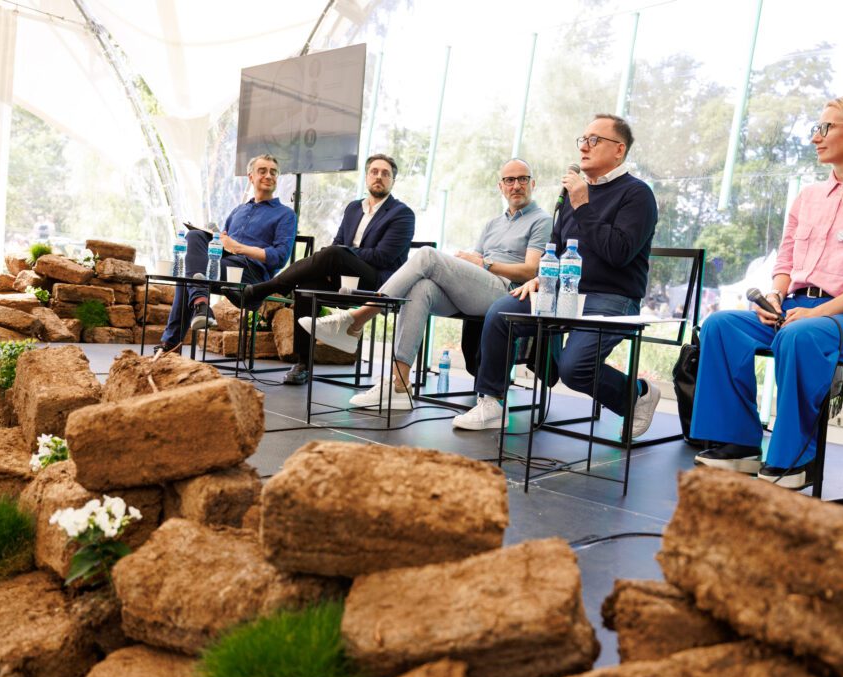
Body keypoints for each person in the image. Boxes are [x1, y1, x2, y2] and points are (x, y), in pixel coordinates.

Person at [691, 95, 843, 489]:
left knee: (799, 334)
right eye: (816, 128)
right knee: (720, 325)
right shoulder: (808, 197)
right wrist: (776, 296)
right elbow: (786, 260)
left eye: (826, 127)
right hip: (794, 311)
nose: (815, 137)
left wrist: (817, 312)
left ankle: (795, 457)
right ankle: (739, 444)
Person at [451, 113, 661, 437]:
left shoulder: (637, 194)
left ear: (619, 150)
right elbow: (558, 246)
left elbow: (618, 253)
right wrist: (542, 276)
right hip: (563, 290)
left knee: (574, 369)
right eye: (583, 140)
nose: (584, 147)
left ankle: (638, 394)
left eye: (594, 140)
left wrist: (583, 204)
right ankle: (491, 402)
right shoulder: (573, 193)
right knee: (501, 313)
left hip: (612, 297)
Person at [306, 158, 551, 408]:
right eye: (509, 180)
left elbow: (530, 270)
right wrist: (468, 263)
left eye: (522, 179)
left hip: (506, 292)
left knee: (427, 255)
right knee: (420, 289)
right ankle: (399, 383)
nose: (516, 185)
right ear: (501, 186)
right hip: (479, 290)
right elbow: (476, 261)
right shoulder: (492, 224)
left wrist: (485, 264)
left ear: (532, 184)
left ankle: (357, 319)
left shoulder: (540, 220)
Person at [240, 153, 415, 384]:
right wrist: (337, 258)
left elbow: (383, 257)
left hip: (377, 284)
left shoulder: (402, 214)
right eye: (374, 172)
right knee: (305, 287)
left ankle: (266, 288)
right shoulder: (354, 208)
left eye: (385, 174)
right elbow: (337, 243)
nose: (379, 177)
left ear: (393, 180)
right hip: (342, 275)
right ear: (366, 176)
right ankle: (302, 364)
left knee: (333, 253)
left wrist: (343, 254)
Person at [157, 154, 296, 356]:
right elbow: (222, 245)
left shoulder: (286, 214)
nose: (268, 176)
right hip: (224, 265)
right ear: (250, 177)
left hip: (252, 274)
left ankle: (171, 344)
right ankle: (200, 305)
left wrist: (239, 247)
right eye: (262, 171)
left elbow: (280, 257)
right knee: (194, 236)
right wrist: (217, 239)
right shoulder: (238, 211)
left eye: (273, 172)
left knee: (189, 275)